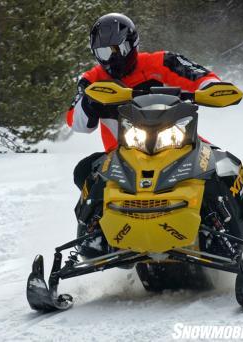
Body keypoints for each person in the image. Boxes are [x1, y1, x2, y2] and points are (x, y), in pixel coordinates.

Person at [67, 13, 222, 257]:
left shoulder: (162, 62)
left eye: (117, 49)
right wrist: (89, 103)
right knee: (86, 171)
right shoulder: (92, 80)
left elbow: (198, 74)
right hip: (123, 154)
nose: (111, 59)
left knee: (222, 166)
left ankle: (220, 230)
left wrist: (209, 87)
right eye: (103, 53)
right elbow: (77, 122)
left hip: (177, 143)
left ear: (133, 44)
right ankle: (93, 235)